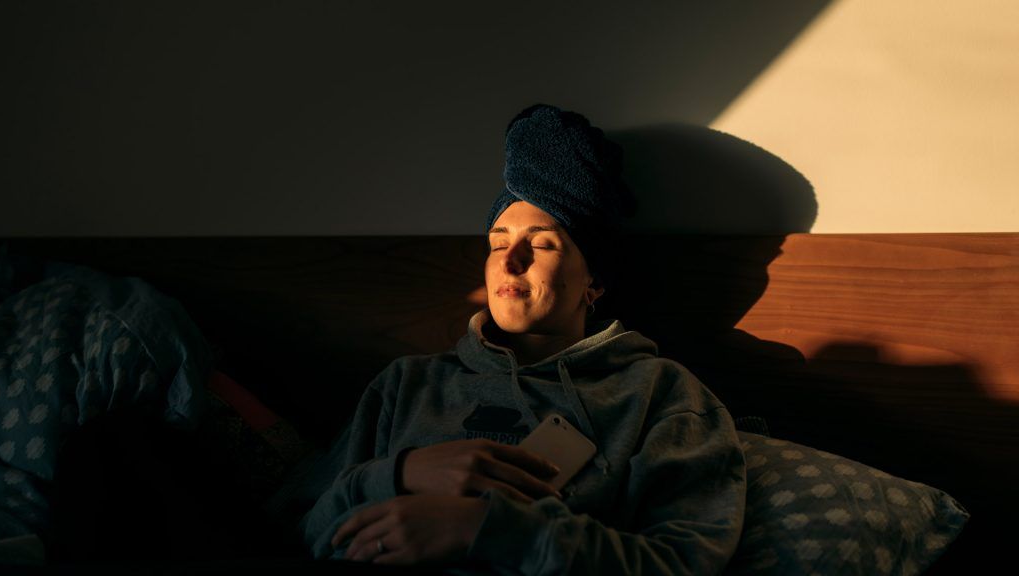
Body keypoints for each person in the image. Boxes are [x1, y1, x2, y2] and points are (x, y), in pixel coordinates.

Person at [299, 105, 746, 574]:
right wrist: (399, 473)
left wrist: (488, 529)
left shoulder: (659, 394)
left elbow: (683, 563)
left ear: (594, 282)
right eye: (497, 242)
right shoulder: (407, 384)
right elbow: (305, 530)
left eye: (542, 243)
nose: (510, 262)